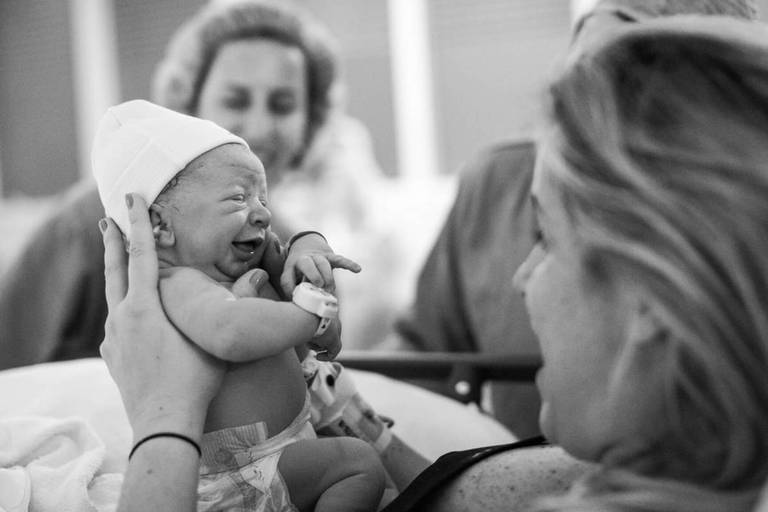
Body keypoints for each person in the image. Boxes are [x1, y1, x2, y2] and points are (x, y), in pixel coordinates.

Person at [101, 15, 768, 512]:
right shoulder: (621, 468)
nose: (522, 275)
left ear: (653, 298)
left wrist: (163, 416)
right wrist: (354, 413)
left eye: (546, 236)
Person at [385, 0, 759, 439]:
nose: (525, 279)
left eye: (620, 84)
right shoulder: (495, 181)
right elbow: (421, 354)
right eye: (577, 69)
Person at [0, 0, 386, 370]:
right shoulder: (92, 224)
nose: (260, 126)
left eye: (282, 105)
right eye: (236, 100)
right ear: (187, 105)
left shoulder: (283, 248)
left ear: (310, 122)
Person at [92, 99, 385, 511]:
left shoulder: (243, 259)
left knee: (370, 473)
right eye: (238, 198)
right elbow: (230, 330)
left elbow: (294, 256)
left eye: (262, 198)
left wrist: (310, 248)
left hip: (283, 451)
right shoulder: (177, 287)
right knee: (357, 465)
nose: (262, 213)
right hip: (240, 477)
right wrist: (310, 315)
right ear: (159, 226)